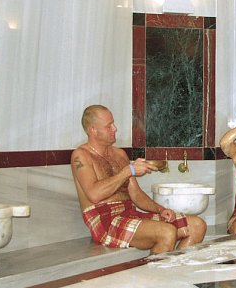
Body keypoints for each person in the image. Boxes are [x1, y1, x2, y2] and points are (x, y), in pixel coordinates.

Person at [71, 105, 206, 254]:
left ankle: (174, 265)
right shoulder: (81, 156)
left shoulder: (119, 154)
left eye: (113, 123)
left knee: (197, 225)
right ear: (93, 130)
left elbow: (135, 194)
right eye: (109, 126)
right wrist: (127, 171)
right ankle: (158, 268)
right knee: (167, 232)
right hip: (104, 220)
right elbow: (94, 194)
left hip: (128, 213)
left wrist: (160, 209)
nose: (115, 128)